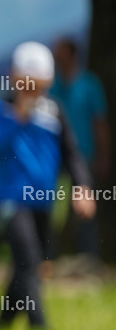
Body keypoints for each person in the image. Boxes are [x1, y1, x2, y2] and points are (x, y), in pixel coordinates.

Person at [0, 42, 95, 330]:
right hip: (11, 199)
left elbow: (71, 153)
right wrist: (18, 118)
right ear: (15, 79)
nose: (33, 91)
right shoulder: (1, 109)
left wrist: (82, 186)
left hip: (44, 201)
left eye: (38, 85)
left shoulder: (53, 111)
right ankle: (39, 328)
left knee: (32, 264)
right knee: (29, 259)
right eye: (27, 84)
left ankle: (3, 324)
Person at [49, 37, 109, 260]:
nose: (57, 58)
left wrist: (103, 154)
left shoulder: (89, 84)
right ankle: (48, 257)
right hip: (55, 158)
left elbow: (99, 122)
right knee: (52, 208)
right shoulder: (52, 86)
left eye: (61, 53)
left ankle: (88, 257)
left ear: (73, 55)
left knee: (84, 208)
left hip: (84, 156)